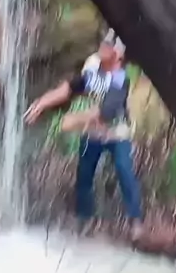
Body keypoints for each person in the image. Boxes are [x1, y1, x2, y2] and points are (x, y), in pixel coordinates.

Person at [25, 29, 144, 240]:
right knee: (84, 175)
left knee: (124, 169)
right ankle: (84, 220)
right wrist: (42, 103)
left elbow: (106, 112)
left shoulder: (120, 79)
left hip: (117, 134)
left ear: (117, 55)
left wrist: (73, 120)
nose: (102, 47)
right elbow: (69, 88)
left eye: (108, 46)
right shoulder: (94, 69)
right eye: (103, 44)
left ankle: (135, 220)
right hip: (93, 134)